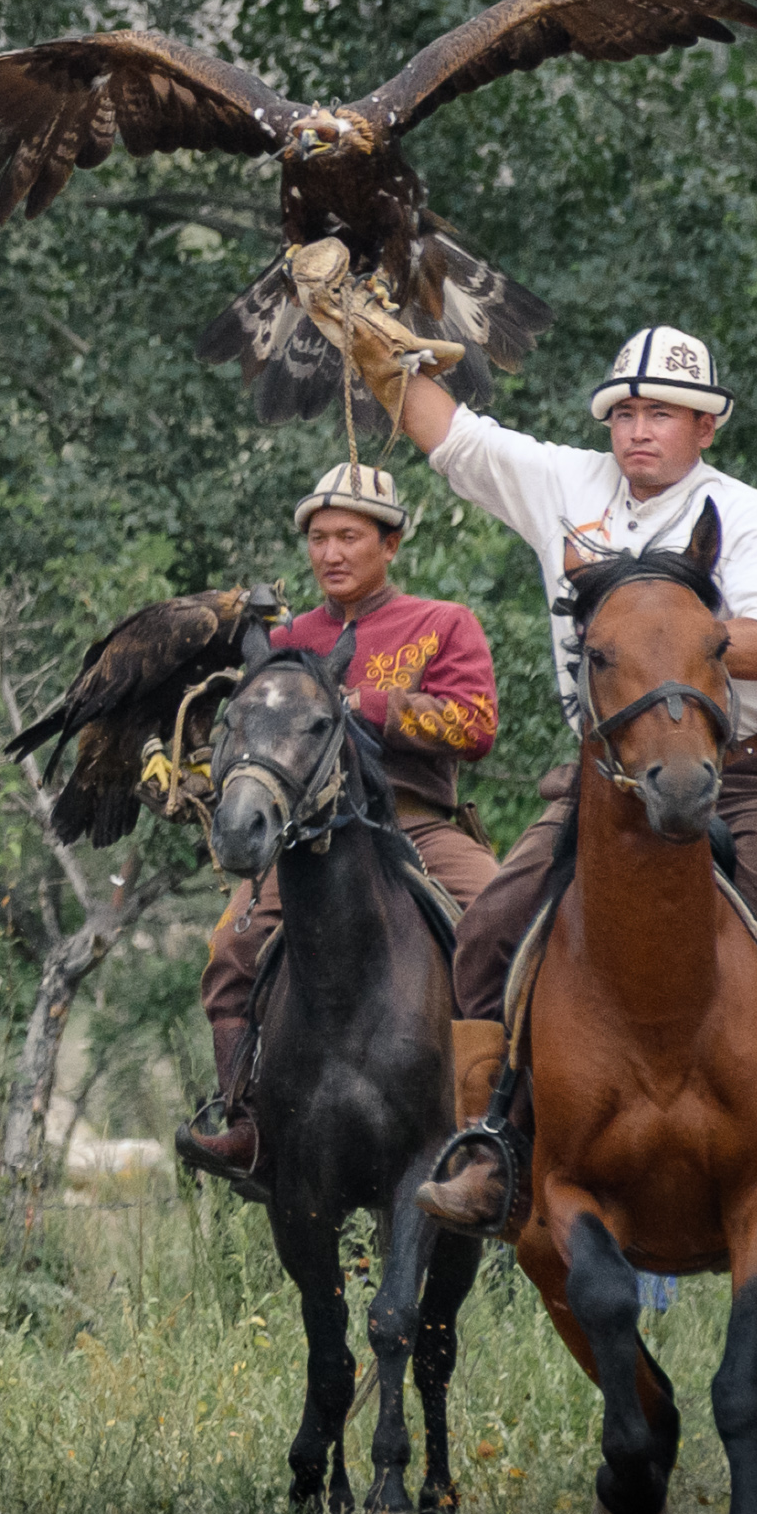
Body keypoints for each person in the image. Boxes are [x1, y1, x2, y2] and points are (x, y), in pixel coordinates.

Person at [337, 322, 757, 1230]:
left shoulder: (748, 515)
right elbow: (456, 439)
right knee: (489, 928)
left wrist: (663, 641)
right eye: (624, 414)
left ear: (706, 426)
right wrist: (373, 354)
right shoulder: (568, 484)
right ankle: (489, 1145)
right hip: (604, 780)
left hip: (736, 770)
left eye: (662, 414)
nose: (638, 430)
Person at [172, 461, 502, 1184]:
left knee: (503, 923)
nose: (331, 553)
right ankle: (246, 1121)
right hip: (309, 840)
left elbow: (476, 725)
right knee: (231, 946)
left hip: (418, 826)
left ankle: (499, 1128)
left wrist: (361, 704)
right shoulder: (289, 638)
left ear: (391, 544)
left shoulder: (442, 623)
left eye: (349, 536)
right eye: (319, 538)